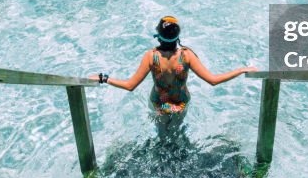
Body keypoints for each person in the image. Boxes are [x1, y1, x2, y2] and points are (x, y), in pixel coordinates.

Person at [92, 16, 257, 124]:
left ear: (158, 35)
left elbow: (130, 86)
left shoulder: (151, 56)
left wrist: (102, 78)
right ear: (177, 37)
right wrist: (242, 69)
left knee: (161, 137)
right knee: (179, 136)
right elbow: (213, 80)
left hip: (159, 104)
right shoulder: (187, 56)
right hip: (181, 103)